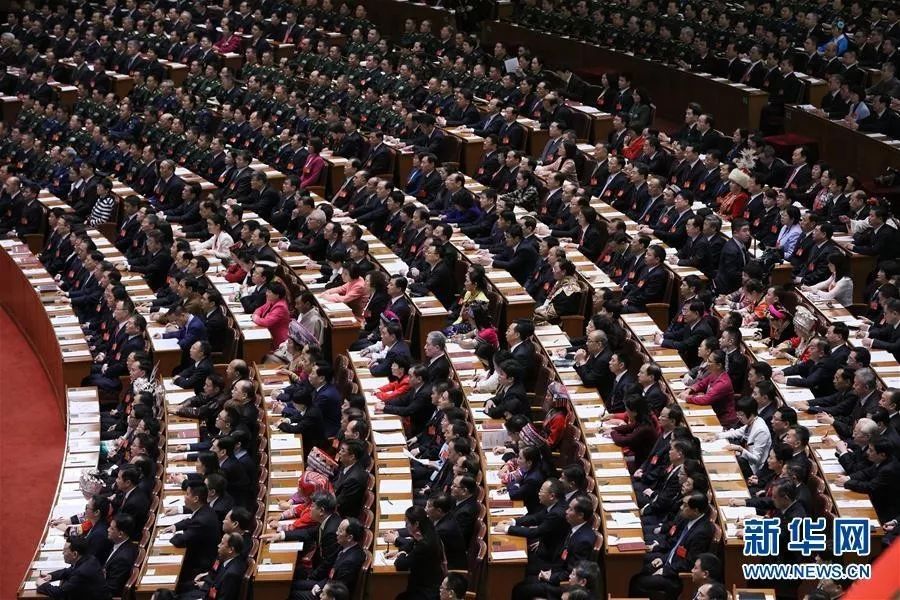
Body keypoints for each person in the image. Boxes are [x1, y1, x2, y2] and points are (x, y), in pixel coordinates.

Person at [168, 481, 221, 590]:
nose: (185, 496)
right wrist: (176, 526)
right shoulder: (205, 509)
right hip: (201, 556)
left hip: (200, 565)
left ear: (196, 499)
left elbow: (180, 541)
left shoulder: (202, 520)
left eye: (187, 494)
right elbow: (191, 520)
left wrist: (173, 536)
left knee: (173, 585)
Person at [392, 506, 445, 599]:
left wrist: (402, 553)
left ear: (416, 524)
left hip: (426, 591)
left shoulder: (425, 545)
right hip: (429, 582)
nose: (405, 526)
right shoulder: (428, 531)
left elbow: (401, 565)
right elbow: (411, 543)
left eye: (407, 523)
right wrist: (399, 550)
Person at [35, 535, 110, 599]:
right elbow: (69, 570)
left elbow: (60, 593)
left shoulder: (81, 573)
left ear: (74, 554)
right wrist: (51, 576)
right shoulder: (89, 559)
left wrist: (43, 585)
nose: (63, 553)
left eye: (65, 551)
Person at [251, 281, 292, 350]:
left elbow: (267, 322)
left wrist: (255, 318)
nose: (266, 294)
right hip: (268, 334)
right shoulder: (272, 301)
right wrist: (256, 315)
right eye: (267, 291)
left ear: (277, 295)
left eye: (269, 292)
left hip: (278, 340)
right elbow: (259, 309)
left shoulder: (281, 306)